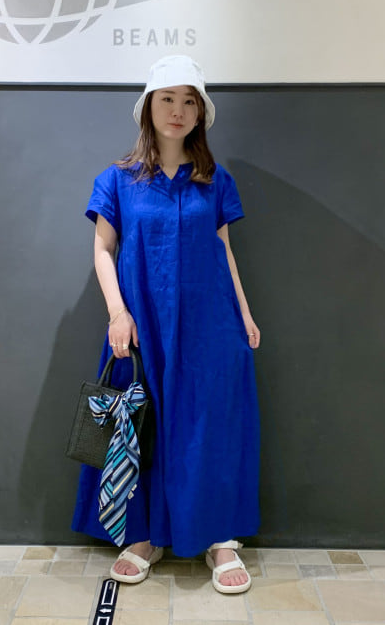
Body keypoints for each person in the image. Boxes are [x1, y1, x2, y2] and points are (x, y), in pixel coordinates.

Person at [72, 54, 261, 594]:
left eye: (189, 101)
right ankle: (143, 536)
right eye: (167, 99)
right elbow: (102, 250)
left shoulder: (215, 181)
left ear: (200, 113)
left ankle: (219, 538)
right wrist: (117, 312)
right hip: (143, 327)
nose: (178, 110)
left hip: (210, 325)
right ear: (148, 108)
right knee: (142, 427)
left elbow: (223, 250)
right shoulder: (117, 179)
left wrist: (244, 313)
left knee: (211, 425)